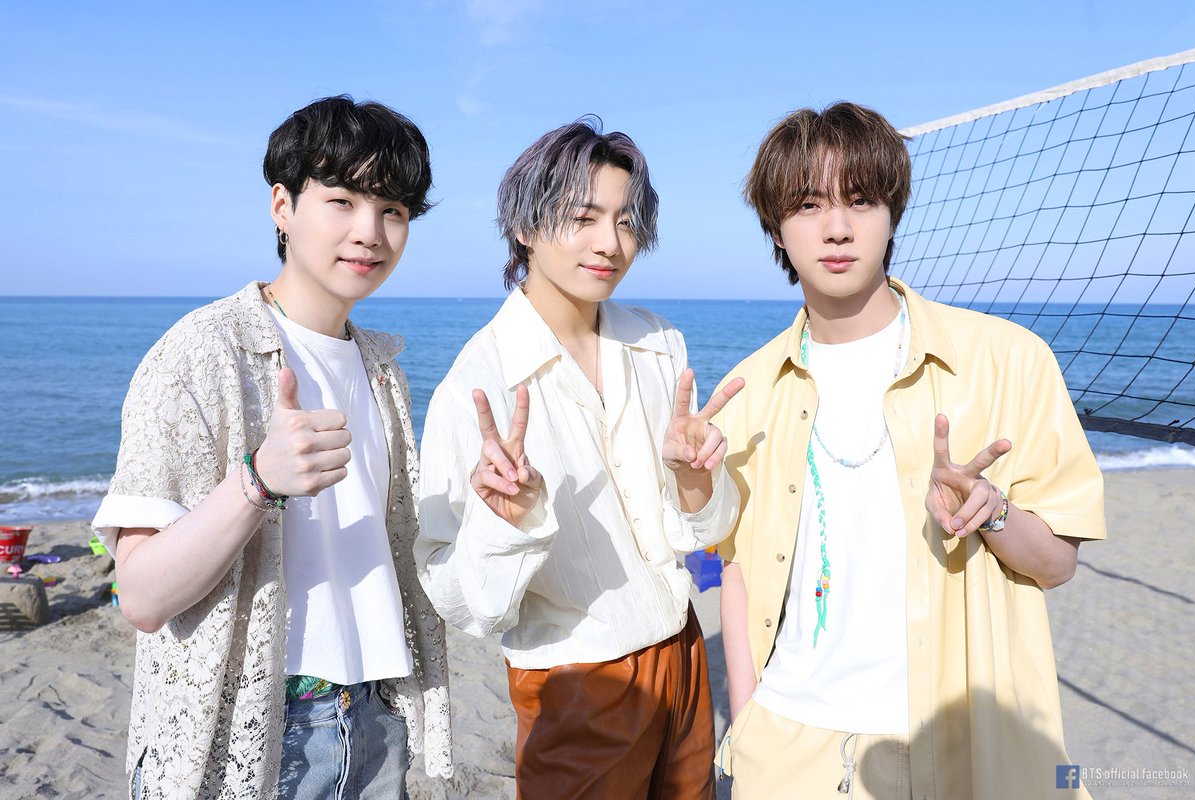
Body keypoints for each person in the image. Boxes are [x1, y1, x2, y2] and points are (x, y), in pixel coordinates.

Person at [714, 102, 1106, 799]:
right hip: (787, 745)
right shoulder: (748, 388)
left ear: (893, 213)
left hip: (953, 742)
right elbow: (738, 571)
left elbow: (1057, 565)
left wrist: (991, 512)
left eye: (861, 200)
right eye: (808, 205)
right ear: (776, 227)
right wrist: (748, 722)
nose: (837, 228)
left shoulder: (1009, 359)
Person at [92, 96, 451, 799]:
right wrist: (257, 481)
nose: (369, 232)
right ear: (282, 206)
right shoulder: (202, 353)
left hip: (377, 719)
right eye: (342, 201)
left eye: (393, 210)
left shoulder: (381, 367)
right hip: (258, 732)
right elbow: (140, 596)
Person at [415, 118, 743, 799]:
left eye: (625, 221)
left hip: (682, 647)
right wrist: (506, 521)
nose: (609, 243)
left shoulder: (658, 344)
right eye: (583, 217)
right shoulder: (479, 384)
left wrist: (694, 480)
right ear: (524, 227)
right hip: (575, 677)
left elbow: (702, 530)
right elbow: (462, 600)